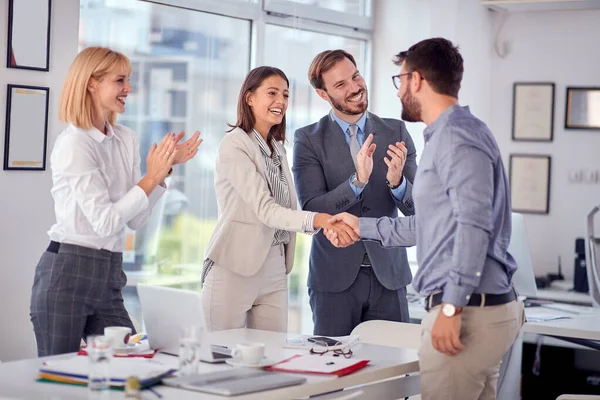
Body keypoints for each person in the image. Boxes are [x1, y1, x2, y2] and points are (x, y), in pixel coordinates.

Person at [326, 38, 524, 400]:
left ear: (416, 80)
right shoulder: (449, 135)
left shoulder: (456, 138)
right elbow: (432, 227)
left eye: (400, 80)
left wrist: (451, 305)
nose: (399, 90)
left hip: (468, 314)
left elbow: (473, 227)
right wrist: (362, 227)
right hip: (474, 309)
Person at [29, 47, 202, 357]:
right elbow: (105, 220)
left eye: (129, 80)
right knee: (59, 379)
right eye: (120, 80)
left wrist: (161, 176)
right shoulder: (74, 144)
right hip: (67, 271)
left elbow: (134, 220)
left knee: (132, 364)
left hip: (110, 273)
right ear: (92, 83)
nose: (129, 89)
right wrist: (150, 178)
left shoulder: (125, 139)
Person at [201, 66, 357, 333]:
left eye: (285, 95)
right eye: (272, 93)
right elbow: (267, 210)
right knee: (219, 357)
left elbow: (286, 211)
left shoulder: (279, 150)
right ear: (249, 98)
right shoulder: (235, 145)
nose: (281, 102)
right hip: (234, 266)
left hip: (274, 266)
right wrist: (321, 220)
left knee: (271, 357)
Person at [292, 50, 418, 336]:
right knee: (332, 370)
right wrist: (357, 182)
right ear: (323, 94)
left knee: (392, 372)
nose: (354, 87)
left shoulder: (396, 131)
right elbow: (312, 208)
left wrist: (398, 184)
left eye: (355, 76)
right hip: (334, 279)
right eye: (340, 85)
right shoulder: (308, 139)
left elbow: (419, 212)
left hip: (389, 275)